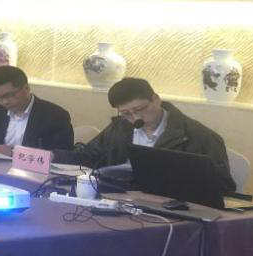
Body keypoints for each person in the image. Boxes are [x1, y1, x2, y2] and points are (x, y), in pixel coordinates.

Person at [67, 77, 234, 192]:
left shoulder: (199, 136)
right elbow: (89, 156)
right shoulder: (120, 128)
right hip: (120, 198)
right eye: (126, 113)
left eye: (140, 109)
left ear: (156, 99)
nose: (135, 118)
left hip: (170, 207)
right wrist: (56, 156)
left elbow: (224, 187)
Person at [0, 65, 74, 152]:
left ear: (26, 88)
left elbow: (61, 155)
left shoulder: (55, 116)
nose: (5, 102)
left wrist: (13, 152)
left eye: (10, 95)